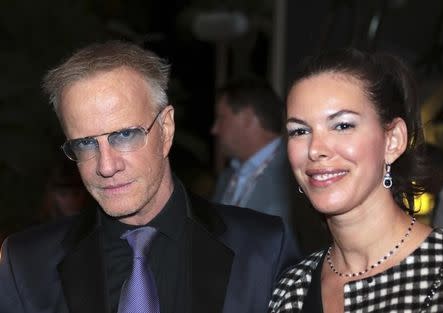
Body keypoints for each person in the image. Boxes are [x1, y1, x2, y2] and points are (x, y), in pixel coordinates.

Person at [0, 40, 301, 313]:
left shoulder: (263, 248)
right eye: (86, 143)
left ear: (166, 130)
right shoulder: (26, 264)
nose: (106, 166)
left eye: (125, 135)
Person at [268, 48, 443, 312]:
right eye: (300, 131)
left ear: (393, 140)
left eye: (342, 125)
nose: (315, 148)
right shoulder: (290, 290)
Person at [211, 77, 329, 252]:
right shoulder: (229, 175)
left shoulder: (298, 173)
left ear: (247, 118)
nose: (214, 129)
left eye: (222, 118)